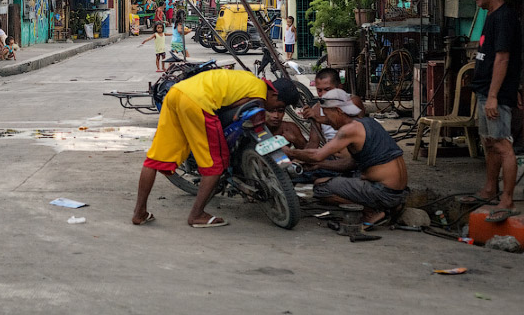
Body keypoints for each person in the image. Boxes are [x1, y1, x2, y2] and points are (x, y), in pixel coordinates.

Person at [132, 71, 301, 228]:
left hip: (176, 93)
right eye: (278, 106)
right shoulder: (258, 94)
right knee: (216, 164)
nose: (275, 111)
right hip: (198, 102)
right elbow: (229, 111)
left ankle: (139, 213)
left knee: (154, 159)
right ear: (274, 95)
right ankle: (197, 215)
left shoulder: (249, 79)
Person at [283, 89, 408, 227]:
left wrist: (291, 152)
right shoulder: (369, 123)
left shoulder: (348, 130)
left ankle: (372, 211)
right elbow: (351, 163)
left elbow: (317, 155)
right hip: (398, 192)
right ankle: (390, 207)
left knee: (321, 188)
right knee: (328, 177)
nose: (326, 119)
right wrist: (321, 166)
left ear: (338, 110)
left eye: (327, 113)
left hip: (383, 191)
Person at [459, 0, 522, 223]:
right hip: (487, 90)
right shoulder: (491, 15)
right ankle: (489, 189)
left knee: (502, 145)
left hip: (495, 93)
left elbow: (504, 57)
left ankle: (507, 198)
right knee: (488, 142)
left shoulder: (505, 17)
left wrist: (496, 95)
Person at [308, 68, 367, 142]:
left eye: (327, 90)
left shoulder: (352, 102)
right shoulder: (316, 109)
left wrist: (319, 118)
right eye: (319, 90)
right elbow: (313, 142)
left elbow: (356, 128)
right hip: (331, 149)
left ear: (339, 88)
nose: (323, 94)